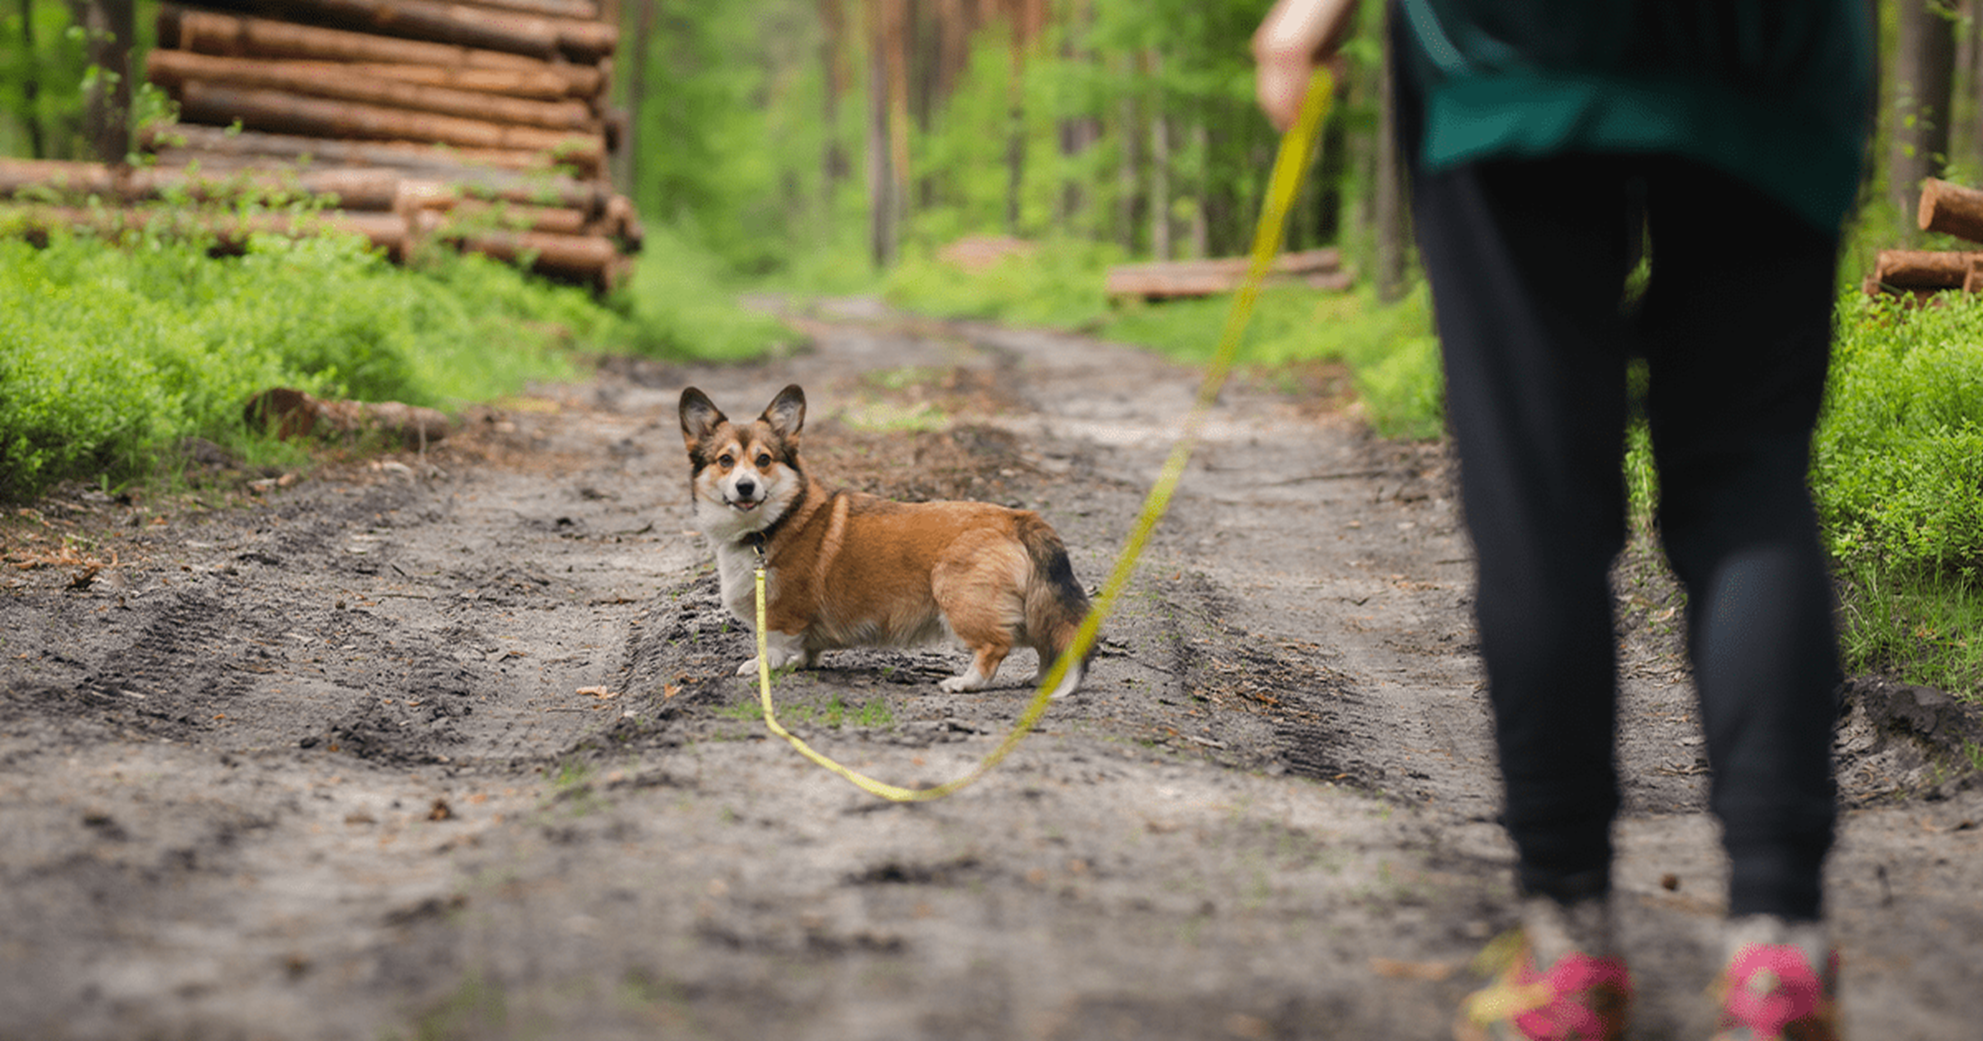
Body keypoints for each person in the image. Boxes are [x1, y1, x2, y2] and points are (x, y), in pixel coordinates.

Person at [1253, 2, 1874, 1039]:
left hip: (1513, 51)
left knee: (1536, 509)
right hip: (1772, 50)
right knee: (1748, 481)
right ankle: (1779, 945)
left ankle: (1571, 947)